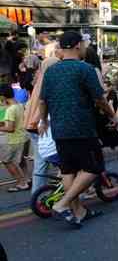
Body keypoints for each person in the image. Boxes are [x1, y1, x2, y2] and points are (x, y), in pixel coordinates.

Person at [38, 31, 118, 227]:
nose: (84, 47)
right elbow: (99, 99)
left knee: (69, 170)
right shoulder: (84, 69)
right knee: (94, 166)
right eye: (83, 44)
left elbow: (42, 100)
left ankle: (79, 212)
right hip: (81, 127)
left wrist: (43, 121)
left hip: (59, 129)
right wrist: (112, 115)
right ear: (76, 46)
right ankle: (62, 205)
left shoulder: (51, 71)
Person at [24, 44, 61, 194]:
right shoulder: (50, 83)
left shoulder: (39, 81)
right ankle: (41, 195)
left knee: (42, 162)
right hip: (39, 126)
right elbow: (44, 105)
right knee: (47, 162)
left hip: (31, 125)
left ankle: (40, 193)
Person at [0, 84, 29, 192]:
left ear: (2, 96)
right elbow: (14, 122)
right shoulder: (19, 105)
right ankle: (27, 179)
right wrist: (2, 124)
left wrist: (2, 127)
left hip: (13, 140)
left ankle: (22, 183)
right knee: (21, 161)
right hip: (23, 137)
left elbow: (10, 128)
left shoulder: (10, 110)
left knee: (7, 162)